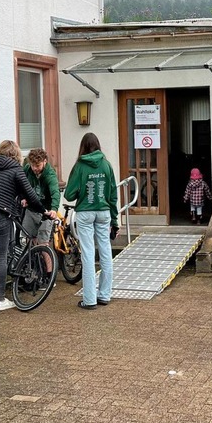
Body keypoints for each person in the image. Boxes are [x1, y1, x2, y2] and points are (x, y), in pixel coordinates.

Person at [0, 140, 55, 311]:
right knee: (1, 257)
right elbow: (30, 195)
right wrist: (43, 210)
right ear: (16, 155)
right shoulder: (16, 169)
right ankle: (1, 300)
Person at [63, 133, 119, 310]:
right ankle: (104, 295)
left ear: (83, 147)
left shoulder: (79, 166)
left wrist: (82, 191)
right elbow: (112, 195)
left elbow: (69, 194)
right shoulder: (106, 164)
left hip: (85, 213)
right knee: (105, 252)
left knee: (87, 254)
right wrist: (115, 220)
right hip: (104, 212)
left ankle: (89, 300)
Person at [21, 148, 61, 287]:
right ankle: (32, 271)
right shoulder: (27, 169)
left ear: (44, 162)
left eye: (37, 166)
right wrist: (24, 198)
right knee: (29, 241)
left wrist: (54, 209)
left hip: (45, 213)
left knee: (44, 244)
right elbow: (22, 185)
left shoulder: (50, 174)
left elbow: (55, 192)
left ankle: (49, 277)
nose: (35, 168)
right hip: (31, 210)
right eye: (32, 165)